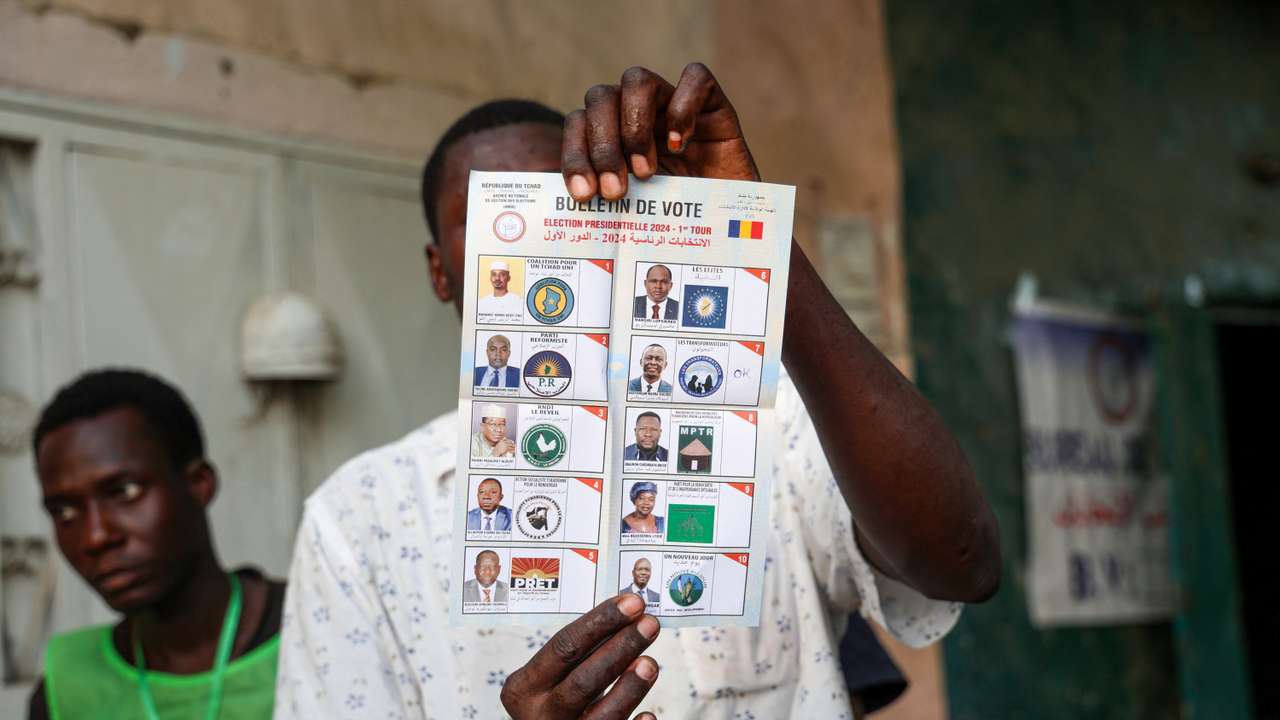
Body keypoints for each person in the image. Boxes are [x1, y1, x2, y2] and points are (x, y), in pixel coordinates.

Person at [277, 64, 1000, 720]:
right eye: (498, 217)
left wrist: (756, 236)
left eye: (561, 205)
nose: (537, 241)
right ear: (440, 272)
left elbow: (961, 562)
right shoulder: (360, 523)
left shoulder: (765, 426)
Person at [27, 369, 285, 720]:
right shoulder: (66, 689)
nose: (95, 536)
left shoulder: (318, 630)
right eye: (65, 511)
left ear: (199, 483)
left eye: (124, 492)